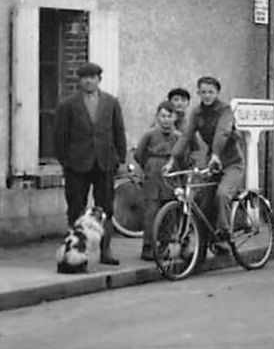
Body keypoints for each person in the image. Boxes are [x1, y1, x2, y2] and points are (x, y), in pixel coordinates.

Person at [51, 61, 126, 266]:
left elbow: (118, 131)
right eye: (85, 78)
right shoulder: (68, 104)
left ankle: (105, 250)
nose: (89, 81)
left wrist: (120, 159)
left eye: (93, 77)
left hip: (104, 162)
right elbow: (59, 136)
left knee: (106, 208)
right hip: (77, 164)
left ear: (99, 80)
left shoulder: (110, 103)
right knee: (76, 207)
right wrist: (66, 161)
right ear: (79, 81)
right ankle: (76, 250)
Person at [168, 76, 243, 244]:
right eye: (203, 92)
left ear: (217, 93)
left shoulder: (225, 110)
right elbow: (186, 136)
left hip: (231, 161)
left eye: (211, 92)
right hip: (212, 162)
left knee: (222, 194)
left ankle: (224, 232)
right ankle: (202, 249)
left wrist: (216, 154)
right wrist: (172, 159)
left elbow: (222, 132)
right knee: (203, 205)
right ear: (198, 93)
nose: (207, 96)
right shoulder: (196, 112)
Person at [129, 102, 181, 262]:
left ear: (175, 118)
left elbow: (185, 155)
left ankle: (164, 246)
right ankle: (148, 247)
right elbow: (139, 154)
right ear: (157, 117)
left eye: (169, 116)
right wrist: (149, 166)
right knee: (150, 212)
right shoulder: (149, 134)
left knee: (169, 213)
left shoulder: (179, 137)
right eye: (163, 116)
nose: (166, 120)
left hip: (171, 175)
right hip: (152, 176)